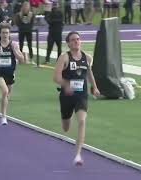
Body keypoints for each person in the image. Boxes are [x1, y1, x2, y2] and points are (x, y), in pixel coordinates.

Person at [53, 31, 100, 166]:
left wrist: (95, 87)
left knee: (82, 121)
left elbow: (89, 73)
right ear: (68, 43)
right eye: (73, 40)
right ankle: (65, 118)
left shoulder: (87, 57)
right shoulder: (64, 58)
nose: (76, 42)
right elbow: (56, 77)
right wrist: (66, 85)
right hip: (67, 96)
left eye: (78, 39)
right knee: (66, 127)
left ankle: (78, 155)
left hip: (81, 95)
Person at [0, 23, 25, 125]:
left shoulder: (14, 44)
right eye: (3, 33)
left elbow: (22, 60)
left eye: (7, 33)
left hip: (10, 73)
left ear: (9, 33)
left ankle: (3, 108)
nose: (5, 35)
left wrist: (15, 52)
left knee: (6, 95)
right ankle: (3, 117)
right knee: (5, 91)